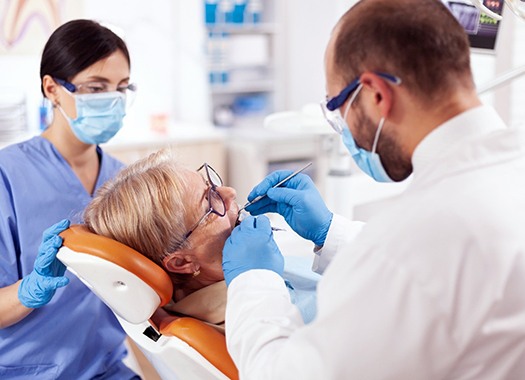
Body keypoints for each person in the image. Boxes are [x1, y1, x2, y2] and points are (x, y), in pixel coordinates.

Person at [221, 0, 525, 378]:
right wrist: (331, 231)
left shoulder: (406, 246)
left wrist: (254, 282)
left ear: (376, 94)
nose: (342, 127)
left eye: (336, 109)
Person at [0, 20, 138, 378]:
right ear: (52, 89)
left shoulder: (124, 180)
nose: (113, 100)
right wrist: (27, 291)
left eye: (121, 88)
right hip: (26, 370)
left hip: (105, 368)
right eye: (96, 88)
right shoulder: (7, 175)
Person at [82, 149, 319, 331]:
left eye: (212, 184)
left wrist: (327, 235)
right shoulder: (257, 318)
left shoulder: (193, 300)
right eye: (209, 201)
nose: (230, 193)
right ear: (181, 263)